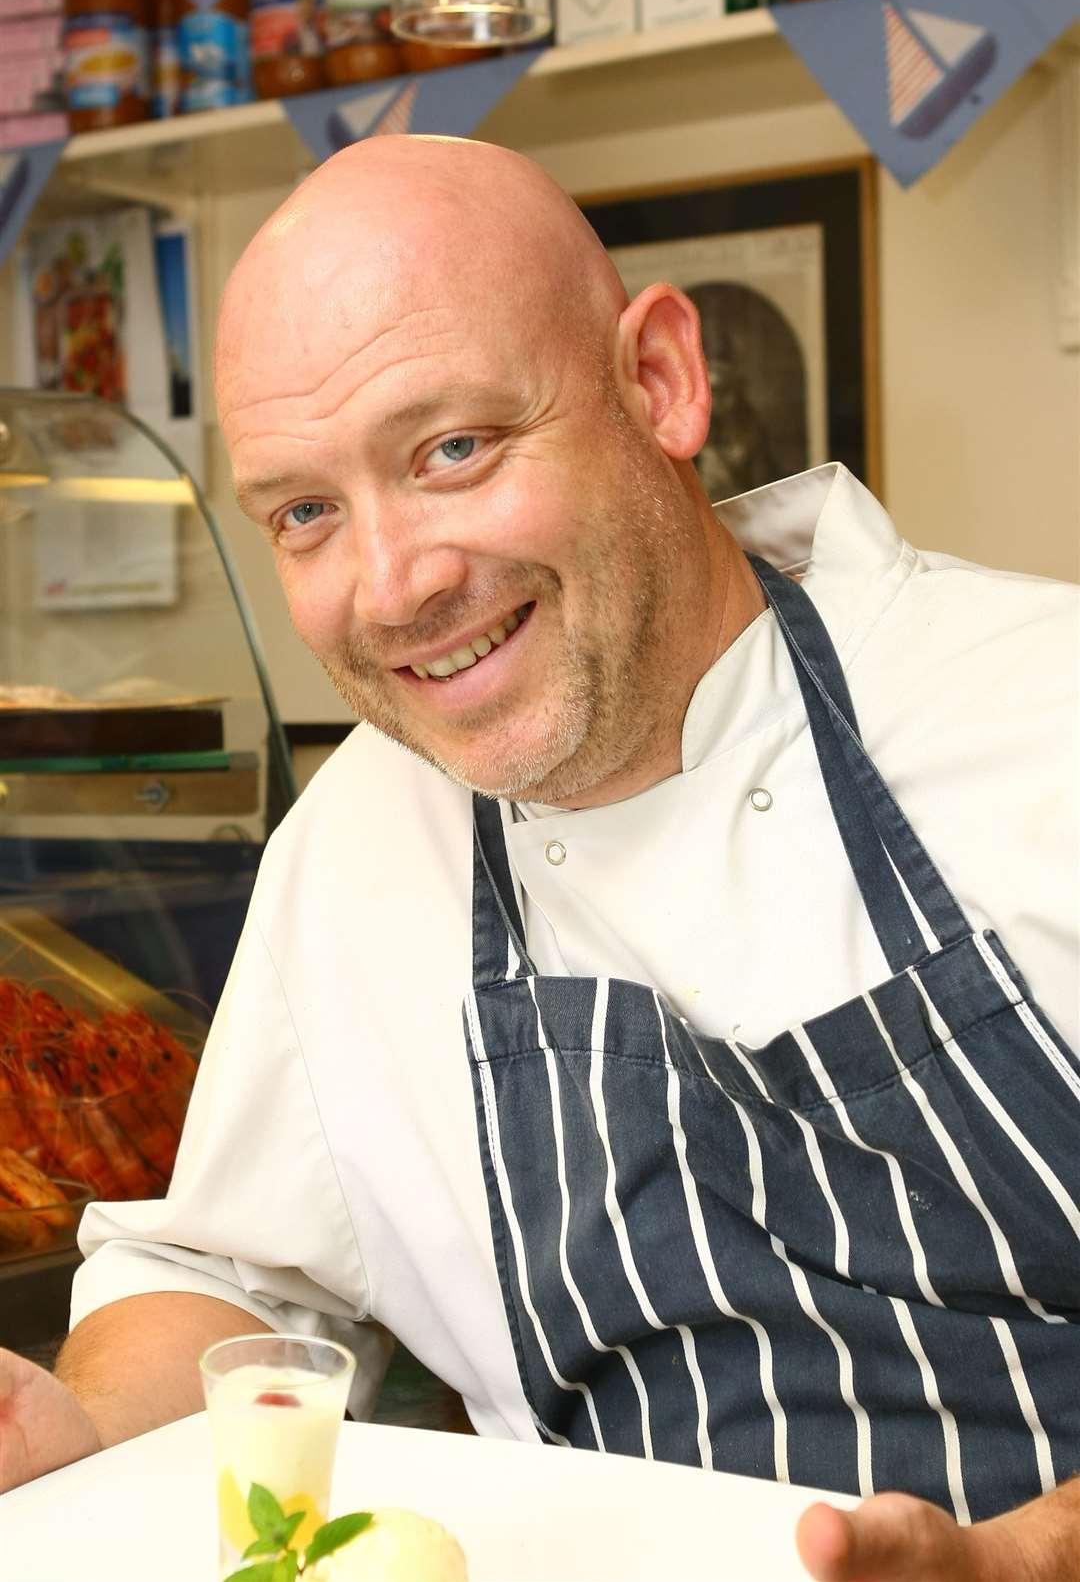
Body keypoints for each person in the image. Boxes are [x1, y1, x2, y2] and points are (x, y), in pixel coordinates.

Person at [2, 137, 1078, 1582]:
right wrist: (73, 1429)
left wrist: (1027, 1561)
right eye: (305, 511)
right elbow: (226, 1280)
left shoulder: (1043, 719)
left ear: (660, 383)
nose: (394, 588)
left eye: (452, 449)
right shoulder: (356, 849)